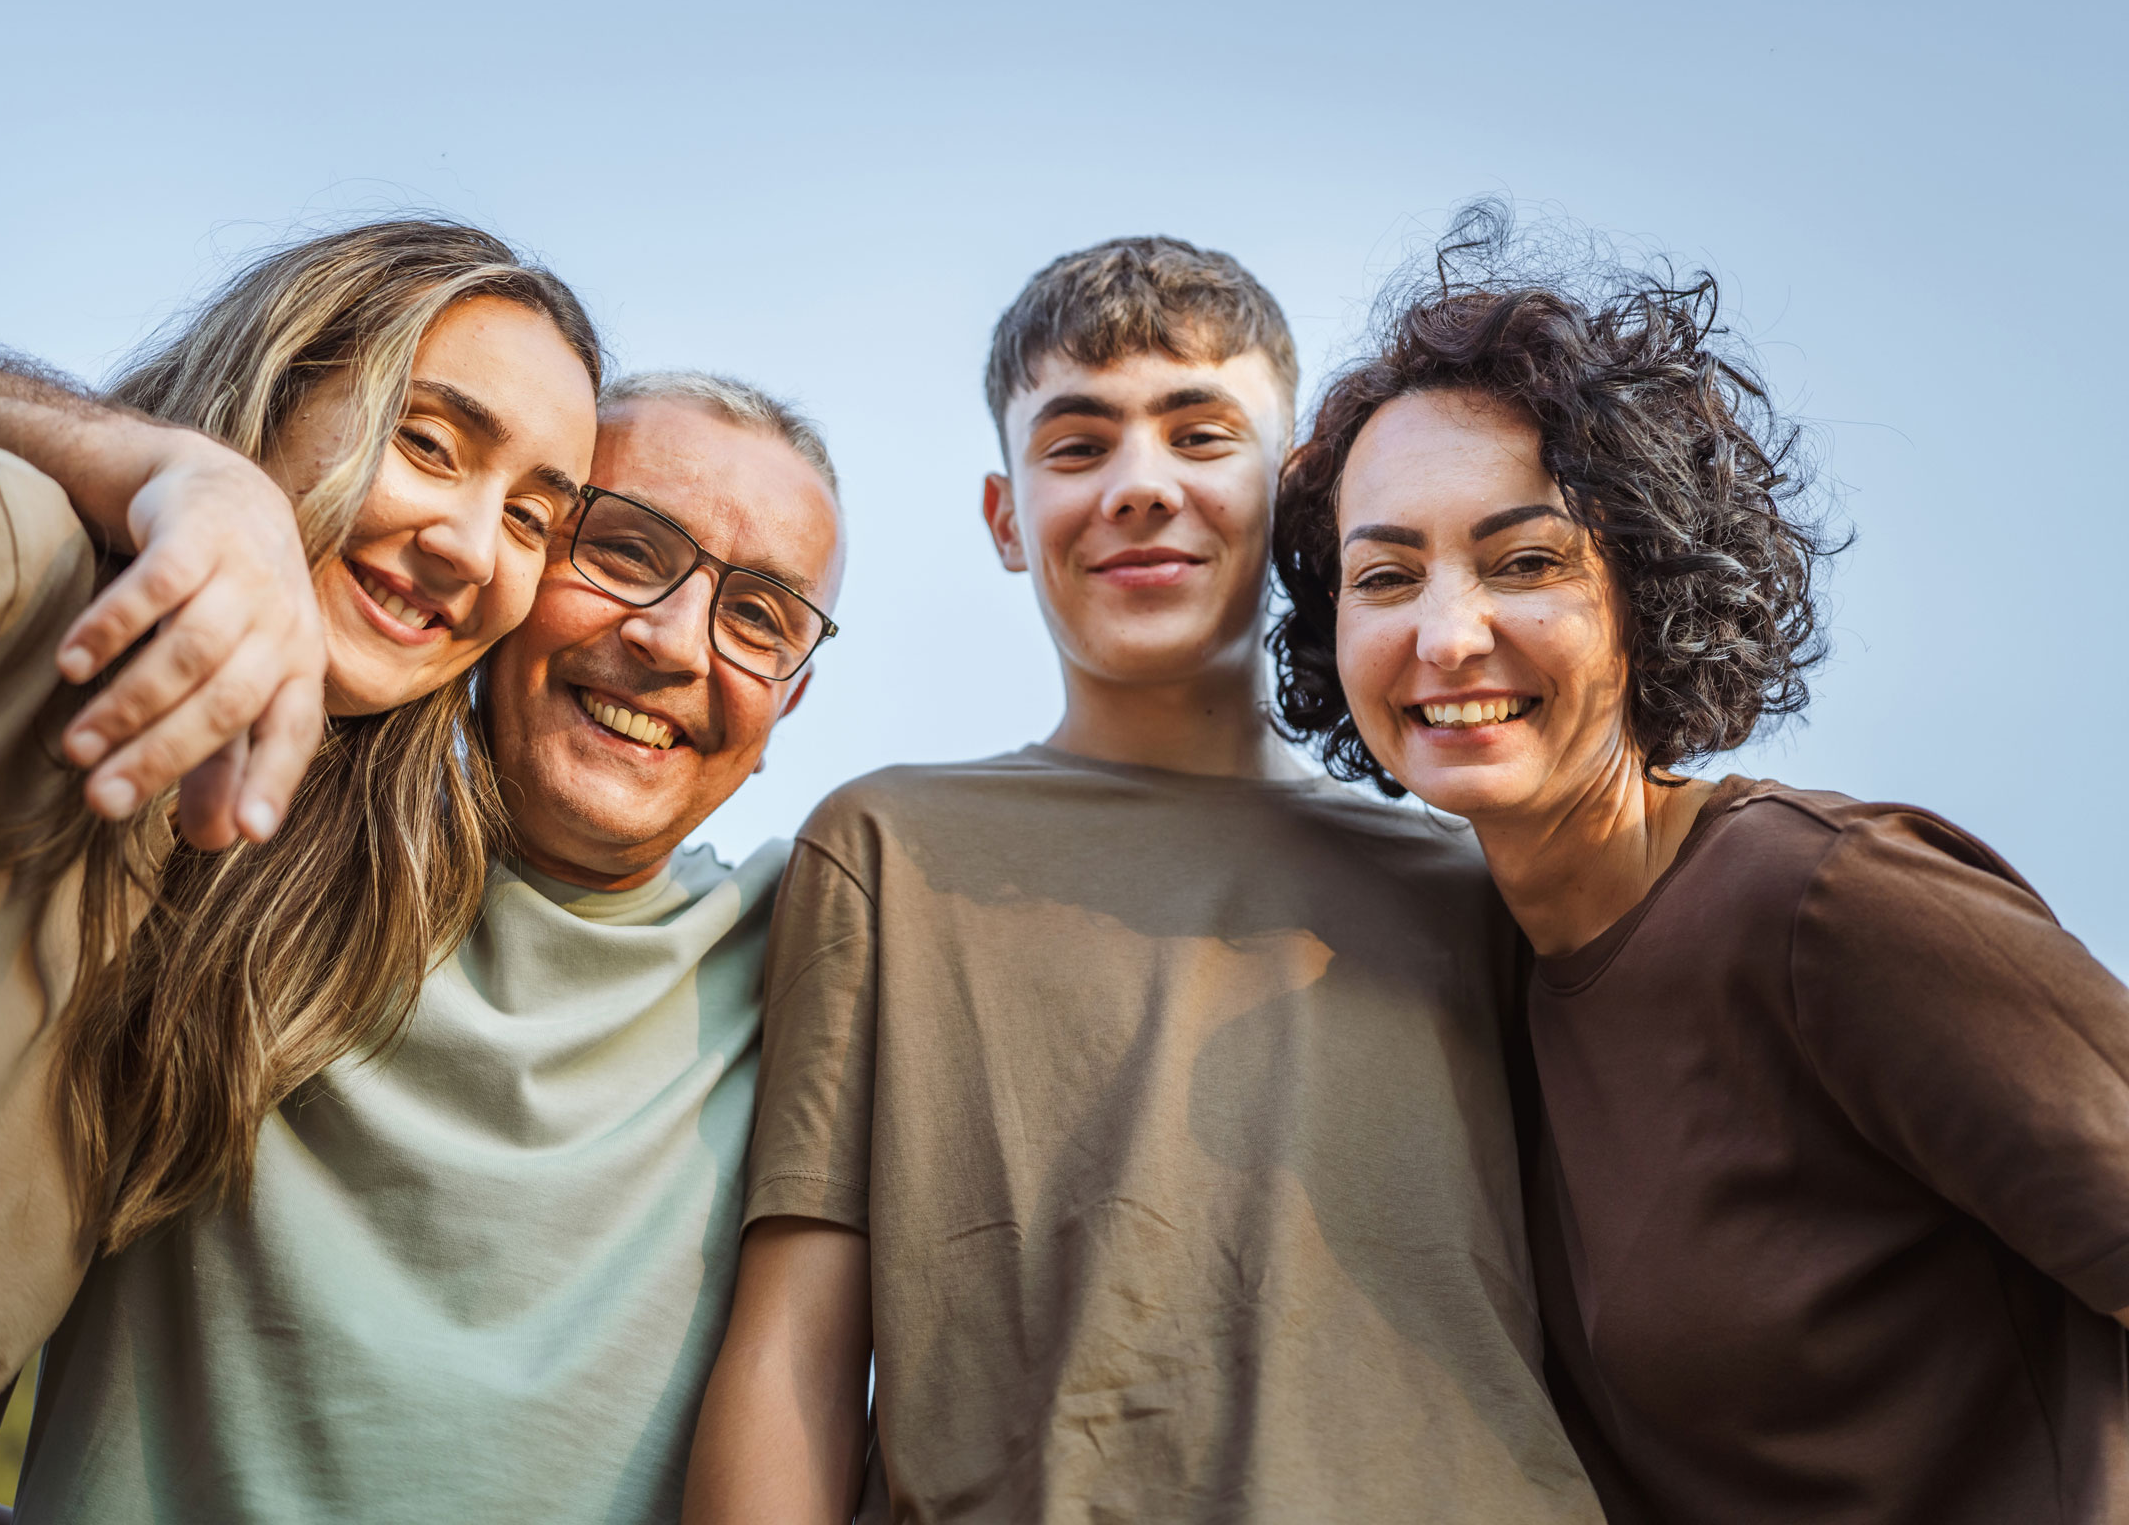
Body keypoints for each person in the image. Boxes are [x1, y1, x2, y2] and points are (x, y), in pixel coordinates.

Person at [685, 238, 1601, 1522]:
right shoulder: (890, 848)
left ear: (1296, 501)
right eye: (1076, 445)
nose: (1139, 486)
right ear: (1008, 518)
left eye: (1199, 433)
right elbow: (798, 1348)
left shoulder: (1474, 879)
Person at [0, 219, 602, 1525]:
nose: (474, 547)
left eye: (533, 521)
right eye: (428, 443)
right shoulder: (1, 560)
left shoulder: (241, 934)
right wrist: (162, 471)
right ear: (275, 389)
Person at [1269, 205, 2129, 1524]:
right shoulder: (1474, 983)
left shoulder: (1826, 906)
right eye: (1387, 577)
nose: (1446, 636)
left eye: (1527, 561)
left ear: (1647, 583)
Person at [10, 371, 846, 1525]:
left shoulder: (823, 951)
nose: (672, 642)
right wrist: (191, 479)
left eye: (759, 618)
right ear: (513, 562)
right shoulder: (231, 822)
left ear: (786, 707)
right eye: (624, 550)